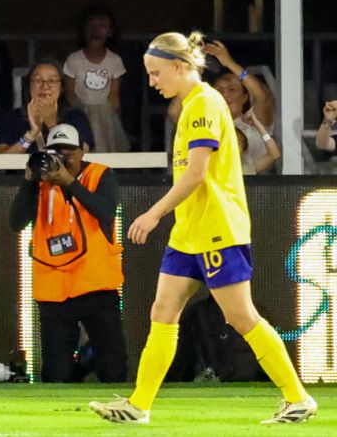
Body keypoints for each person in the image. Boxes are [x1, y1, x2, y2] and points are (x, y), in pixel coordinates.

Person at [89, 31, 317, 425]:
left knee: (241, 317)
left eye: (157, 72)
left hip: (216, 228)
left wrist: (153, 213)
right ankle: (139, 405)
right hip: (190, 231)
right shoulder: (192, 105)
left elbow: (196, 175)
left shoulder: (204, 105)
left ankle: (298, 398)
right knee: (162, 311)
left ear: (180, 67)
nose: (152, 81)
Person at [8, 123, 126, 383]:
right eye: (56, 152)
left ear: (83, 151)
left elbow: (106, 211)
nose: (62, 158)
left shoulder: (100, 175)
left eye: (69, 151)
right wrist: (29, 182)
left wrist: (69, 183)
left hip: (96, 285)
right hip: (54, 290)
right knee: (56, 374)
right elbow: (15, 223)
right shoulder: (40, 184)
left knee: (113, 369)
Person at [62, 6, 129, 152]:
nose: (95, 31)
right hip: (82, 112)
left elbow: (114, 94)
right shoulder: (74, 60)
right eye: (91, 26)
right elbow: (69, 92)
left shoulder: (114, 60)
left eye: (101, 27)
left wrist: (116, 118)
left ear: (110, 31)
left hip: (105, 115)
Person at [205, 40, 277, 174]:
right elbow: (174, 112)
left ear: (245, 97)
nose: (225, 95)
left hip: (257, 186)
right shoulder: (205, 125)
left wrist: (229, 63)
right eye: (219, 90)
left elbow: (263, 97)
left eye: (232, 89)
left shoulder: (254, 121)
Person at [0, 59, 94, 154]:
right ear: (29, 86)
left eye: (52, 81)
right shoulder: (13, 118)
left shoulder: (75, 116)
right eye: (38, 80)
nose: (45, 86)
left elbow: (82, 152)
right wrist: (30, 136)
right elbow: (1, 158)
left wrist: (52, 126)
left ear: (61, 88)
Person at [237, 110, 280, 175]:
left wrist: (257, 123)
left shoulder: (245, 169)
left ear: (243, 151)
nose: (234, 145)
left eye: (239, 143)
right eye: (232, 140)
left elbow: (274, 154)